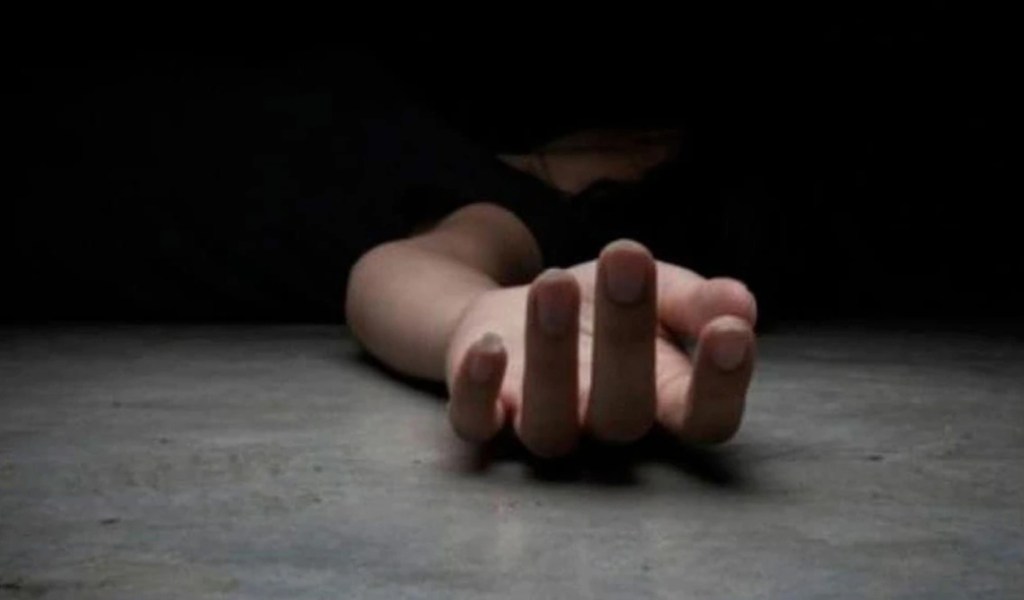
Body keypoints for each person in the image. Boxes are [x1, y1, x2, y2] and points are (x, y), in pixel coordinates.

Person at [345, 129, 758, 458]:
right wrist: (478, 313)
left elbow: (403, 266)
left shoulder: (532, 206)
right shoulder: (512, 194)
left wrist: (475, 311)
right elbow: (405, 266)